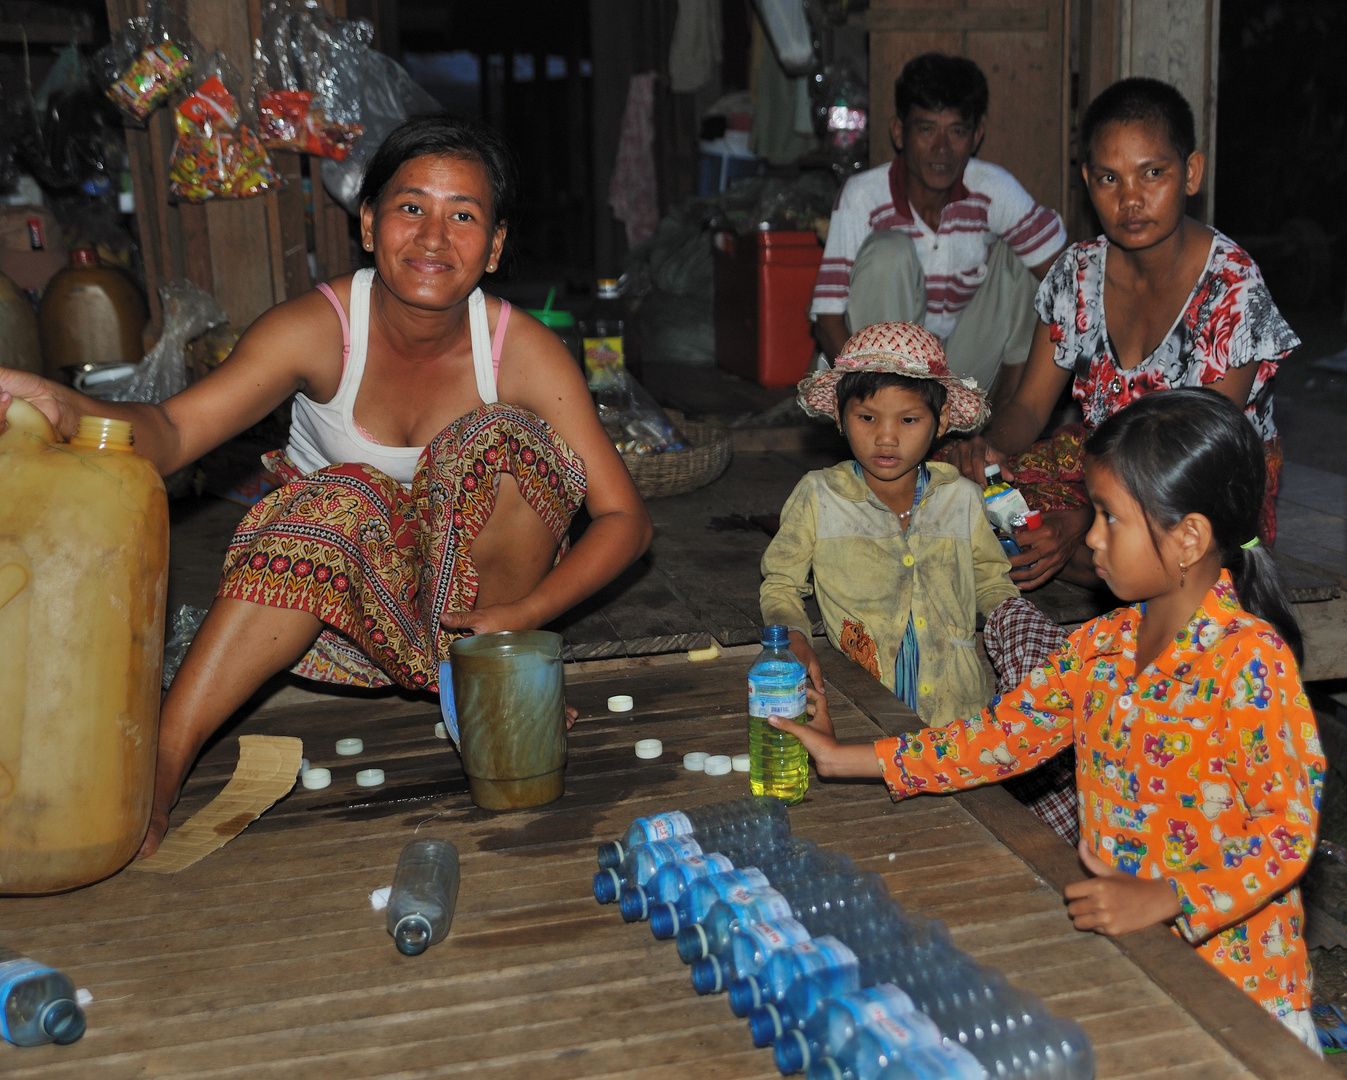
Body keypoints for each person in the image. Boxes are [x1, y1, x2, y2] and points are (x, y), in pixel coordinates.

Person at [0, 115, 653, 859]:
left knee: (502, 441)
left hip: (485, 616)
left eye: (463, 216)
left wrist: (527, 616)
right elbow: (173, 434)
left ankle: (487, 692)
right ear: (369, 225)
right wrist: (64, 405)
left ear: (496, 246)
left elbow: (624, 518)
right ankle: (164, 760)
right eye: (411, 208)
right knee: (343, 495)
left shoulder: (522, 351)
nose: (434, 238)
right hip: (337, 611)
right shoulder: (316, 328)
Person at [776, 390, 1324, 1052]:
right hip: (1136, 967)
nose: (1089, 537)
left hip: (1241, 990)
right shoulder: (1104, 645)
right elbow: (999, 738)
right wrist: (846, 757)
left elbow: (1285, 832)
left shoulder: (1248, 662)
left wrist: (1169, 896)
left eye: (1110, 519)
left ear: (1188, 538)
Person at [950, 77, 1299, 592]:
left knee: (1159, 544)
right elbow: (1027, 408)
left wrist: (1092, 520)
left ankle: (1092, 554)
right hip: (1107, 466)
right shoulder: (1076, 273)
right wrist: (988, 453)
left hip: (1201, 484)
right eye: (1110, 179)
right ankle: (1080, 552)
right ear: (1087, 181)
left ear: (1191, 173)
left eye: (1152, 173)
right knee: (953, 488)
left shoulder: (1231, 289)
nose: (1130, 199)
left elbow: (1198, 456)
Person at [760, 322, 1077, 841]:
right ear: (840, 419)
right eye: (866, 417)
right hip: (866, 712)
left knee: (966, 840)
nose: (886, 437)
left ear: (942, 420)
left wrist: (1016, 625)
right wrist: (790, 632)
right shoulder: (819, 496)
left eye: (908, 419)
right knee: (881, 840)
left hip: (958, 715)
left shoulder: (963, 499)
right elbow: (780, 583)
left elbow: (993, 582)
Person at [810, 53, 1067, 407]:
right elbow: (827, 319)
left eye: (957, 131)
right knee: (889, 251)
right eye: (927, 129)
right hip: (877, 375)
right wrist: (864, 396)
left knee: (1028, 260)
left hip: (964, 371)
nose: (942, 149)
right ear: (899, 132)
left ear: (977, 135)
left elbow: (1068, 280)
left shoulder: (993, 189)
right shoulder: (863, 197)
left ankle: (1003, 418)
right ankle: (890, 415)